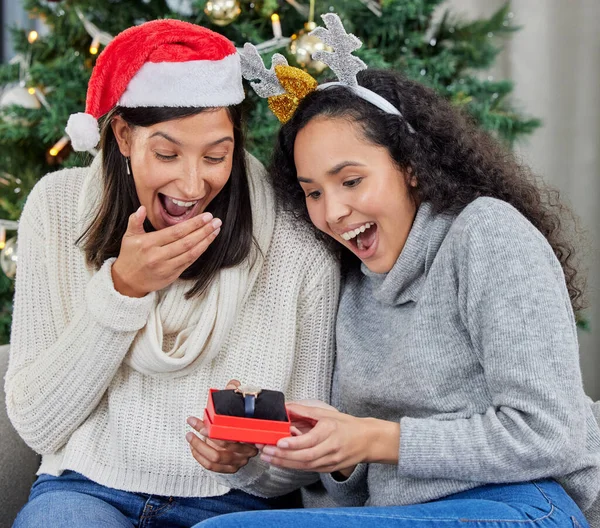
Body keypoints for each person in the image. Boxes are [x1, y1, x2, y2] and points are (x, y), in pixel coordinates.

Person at [194, 13, 600, 528]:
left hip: (520, 504)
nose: (332, 211)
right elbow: (353, 477)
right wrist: (252, 460)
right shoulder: (352, 278)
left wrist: (377, 438)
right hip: (401, 512)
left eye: (351, 180)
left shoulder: (486, 235)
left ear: (410, 164)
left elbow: (552, 432)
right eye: (313, 192)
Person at [5, 19, 340, 527]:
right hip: (88, 492)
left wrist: (246, 465)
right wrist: (123, 290)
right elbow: (37, 424)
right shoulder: (56, 209)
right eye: (166, 153)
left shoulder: (297, 241)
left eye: (216, 156)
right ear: (122, 136)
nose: (191, 182)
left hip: (237, 507)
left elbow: (307, 445)